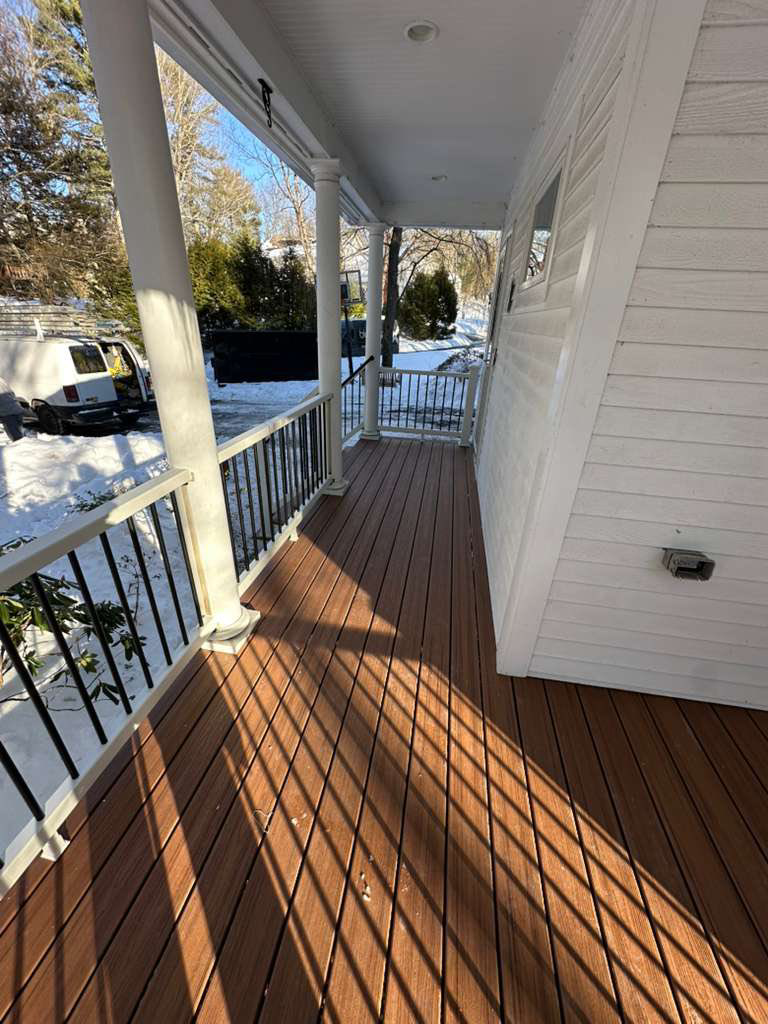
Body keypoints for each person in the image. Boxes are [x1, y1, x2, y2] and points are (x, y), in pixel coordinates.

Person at [0, 377, 24, 442]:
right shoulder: (2, 380)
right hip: (18, 410)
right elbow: (12, 394)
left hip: (8, 415)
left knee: (18, 441)